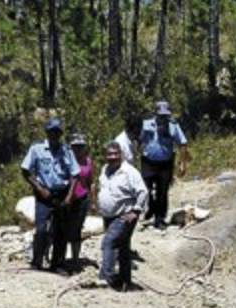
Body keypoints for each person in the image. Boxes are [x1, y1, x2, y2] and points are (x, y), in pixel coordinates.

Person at [20, 117, 80, 270]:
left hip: (62, 193)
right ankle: (37, 261)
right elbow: (25, 170)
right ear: (47, 132)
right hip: (44, 195)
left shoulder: (67, 150)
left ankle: (57, 263)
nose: (55, 134)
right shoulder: (36, 149)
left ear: (61, 133)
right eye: (52, 131)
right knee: (41, 229)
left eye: (57, 132)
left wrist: (69, 196)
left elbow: (75, 174)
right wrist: (39, 189)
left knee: (61, 231)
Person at [96, 141, 148, 290]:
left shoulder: (130, 172)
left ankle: (107, 278)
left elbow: (143, 191)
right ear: (105, 156)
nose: (113, 157)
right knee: (123, 247)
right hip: (109, 216)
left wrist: (136, 210)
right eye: (109, 154)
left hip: (124, 215)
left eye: (115, 154)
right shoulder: (105, 169)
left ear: (121, 155)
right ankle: (125, 281)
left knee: (109, 242)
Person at [138, 101, 189, 229]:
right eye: (160, 115)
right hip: (148, 162)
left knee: (162, 191)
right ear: (155, 114)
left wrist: (182, 164)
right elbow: (138, 140)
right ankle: (151, 208)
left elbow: (182, 143)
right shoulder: (146, 125)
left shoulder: (173, 126)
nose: (163, 118)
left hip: (165, 163)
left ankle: (160, 218)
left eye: (165, 115)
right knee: (146, 189)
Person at [56, 132, 96, 268]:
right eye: (75, 146)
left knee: (77, 229)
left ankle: (75, 259)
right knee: (60, 228)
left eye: (80, 146)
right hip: (65, 198)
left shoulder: (88, 162)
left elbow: (90, 181)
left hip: (81, 198)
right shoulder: (64, 160)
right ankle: (59, 258)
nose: (78, 149)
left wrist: (93, 200)